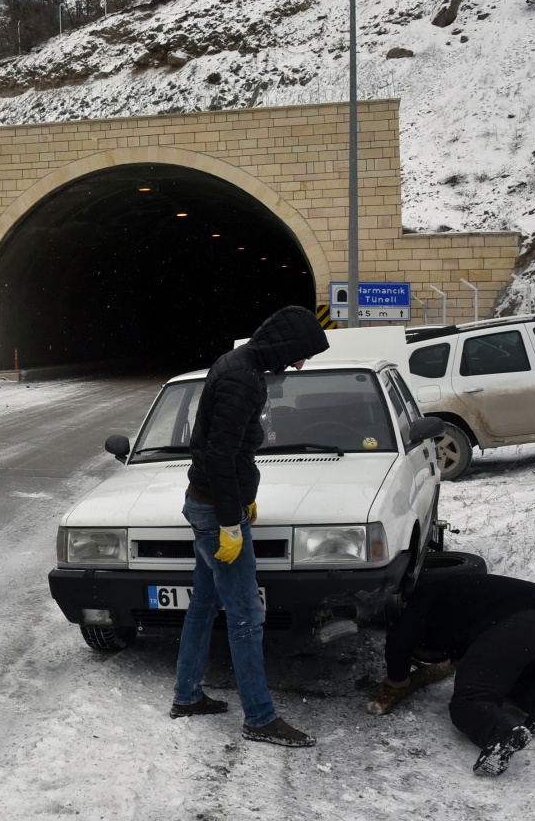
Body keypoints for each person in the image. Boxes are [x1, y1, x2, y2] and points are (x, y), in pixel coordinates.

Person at [172, 305, 328, 747]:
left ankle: (186, 695)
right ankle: (259, 719)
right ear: (285, 345)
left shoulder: (238, 364)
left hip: (208, 501)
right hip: (215, 509)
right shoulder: (243, 378)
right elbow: (219, 454)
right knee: (245, 616)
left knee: (204, 604)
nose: (301, 363)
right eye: (302, 354)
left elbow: (227, 448)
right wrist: (229, 520)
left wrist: (245, 497)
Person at [381, 573, 535, 777]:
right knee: (507, 674)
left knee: (468, 703)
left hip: (516, 626)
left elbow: (400, 637)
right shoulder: (461, 592)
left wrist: (398, 678)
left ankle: (500, 732)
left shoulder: (423, 597)